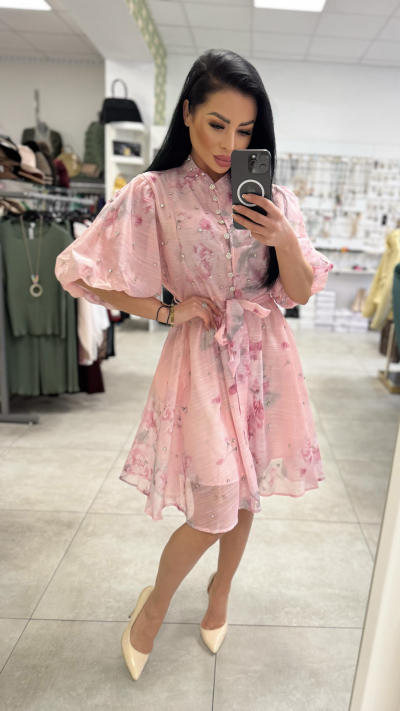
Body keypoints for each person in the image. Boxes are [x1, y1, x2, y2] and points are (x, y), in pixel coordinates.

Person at [55, 48, 334, 681]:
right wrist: (165, 309)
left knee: (247, 493)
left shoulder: (275, 200)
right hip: (203, 359)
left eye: (245, 131)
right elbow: (81, 270)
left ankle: (221, 592)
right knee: (215, 503)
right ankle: (153, 607)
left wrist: (283, 239)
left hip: (264, 361)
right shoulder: (153, 193)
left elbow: (298, 291)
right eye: (217, 124)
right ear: (187, 114)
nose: (230, 144)